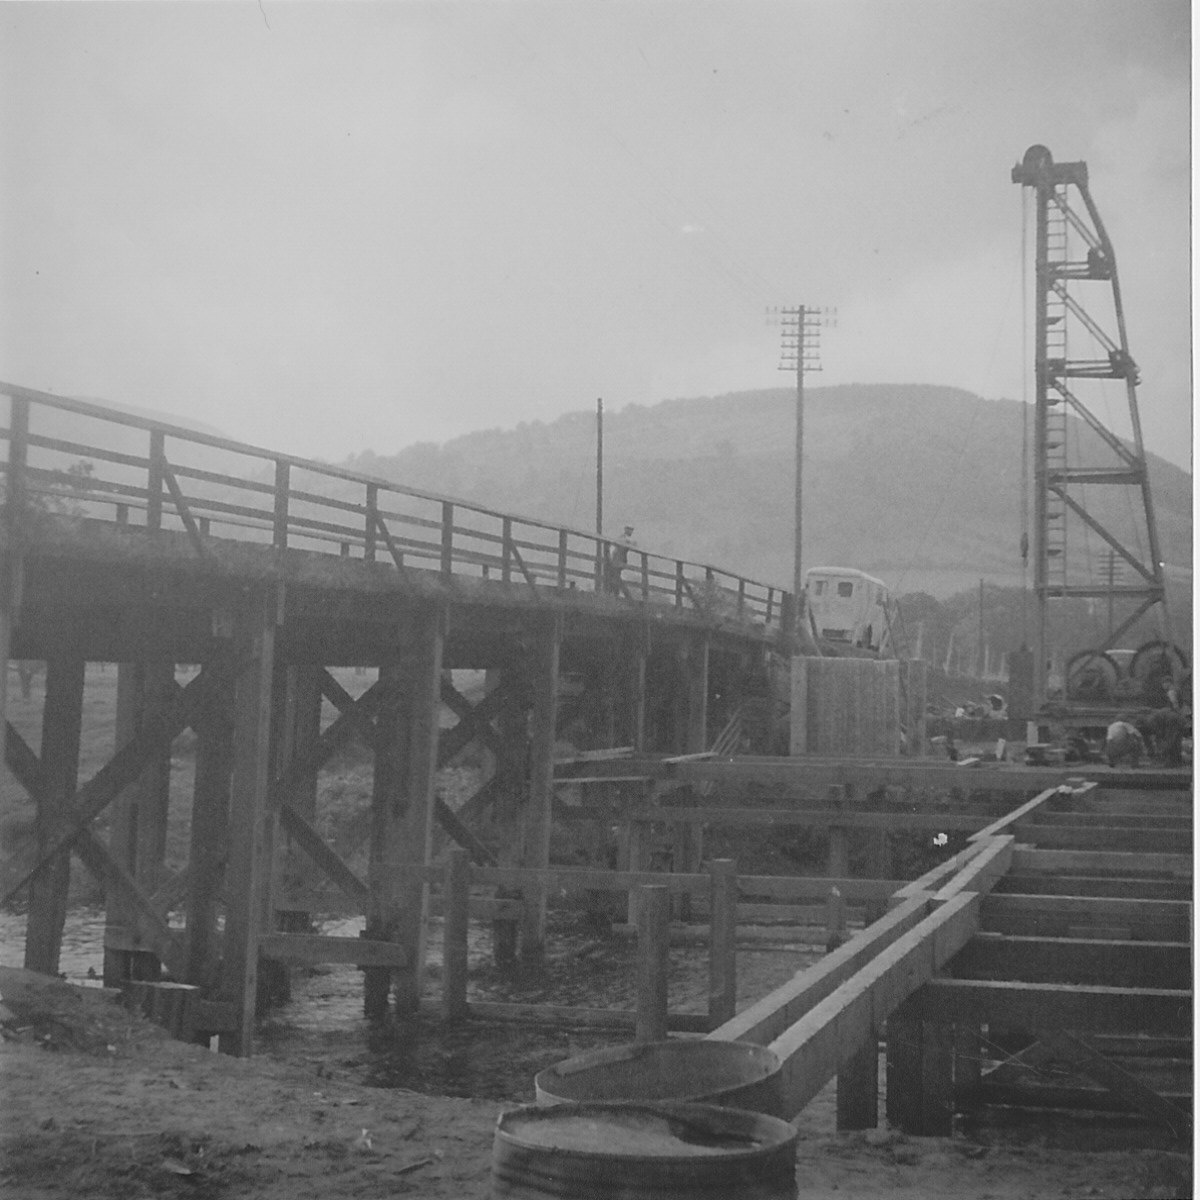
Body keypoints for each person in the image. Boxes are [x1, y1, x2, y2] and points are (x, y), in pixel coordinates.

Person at [604, 525, 636, 594]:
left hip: (620, 559)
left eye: (631, 530)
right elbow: (629, 543)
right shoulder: (623, 538)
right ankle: (613, 593)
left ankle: (613, 593)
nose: (631, 531)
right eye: (629, 529)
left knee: (616, 576)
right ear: (625, 529)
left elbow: (634, 544)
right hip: (617, 559)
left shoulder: (627, 538)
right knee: (615, 576)